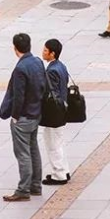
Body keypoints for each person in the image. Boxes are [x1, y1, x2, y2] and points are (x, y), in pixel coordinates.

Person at [0, 33, 46, 202]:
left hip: (24, 116)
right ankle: (36, 185)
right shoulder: (37, 62)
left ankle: (23, 189)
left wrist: (15, 116)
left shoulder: (20, 69)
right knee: (34, 149)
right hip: (36, 113)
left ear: (15, 48)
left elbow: (18, 96)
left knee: (23, 153)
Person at [41, 38, 70, 186]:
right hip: (62, 108)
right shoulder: (61, 66)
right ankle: (64, 170)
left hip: (54, 110)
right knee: (58, 140)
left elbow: (49, 91)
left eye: (45, 50)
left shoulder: (51, 71)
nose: (43, 53)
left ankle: (59, 174)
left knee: (52, 143)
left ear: (52, 54)